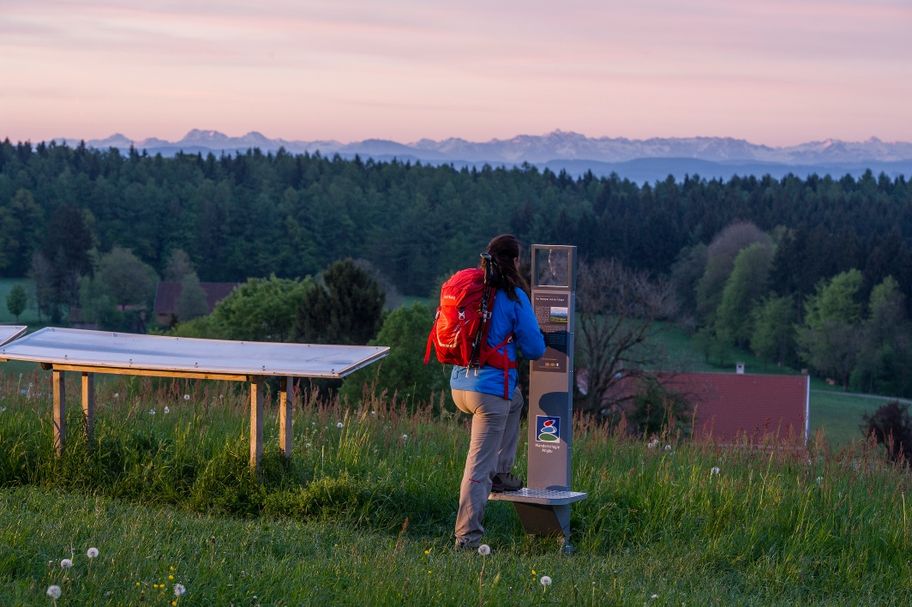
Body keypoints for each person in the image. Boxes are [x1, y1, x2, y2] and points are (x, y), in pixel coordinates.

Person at [450, 234, 545, 550]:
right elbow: (534, 348)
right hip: (488, 393)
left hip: (461, 383)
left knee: (515, 400)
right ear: (515, 261)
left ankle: (501, 473)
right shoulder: (513, 295)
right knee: (477, 468)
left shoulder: (475, 288)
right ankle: (467, 538)